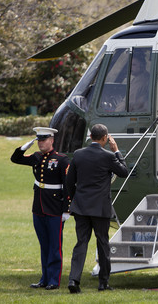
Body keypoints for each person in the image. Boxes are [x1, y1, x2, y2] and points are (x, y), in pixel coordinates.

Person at [66, 124, 129, 293]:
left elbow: (69, 181)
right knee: (102, 244)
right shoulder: (108, 156)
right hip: (100, 208)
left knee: (81, 243)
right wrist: (116, 151)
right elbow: (124, 172)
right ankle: (103, 283)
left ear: (91, 137)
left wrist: (74, 200)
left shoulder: (79, 154)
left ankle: (73, 280)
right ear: (104, 138)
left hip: (81, 207)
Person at [10, 127, 71, 290]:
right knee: (44, 245)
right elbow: (15, 159)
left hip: (55, 208)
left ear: (52, 140)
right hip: (38, 207)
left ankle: (53, 280)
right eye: (39, 140)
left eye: (43, 140)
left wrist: (67, 210)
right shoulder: (36, 157)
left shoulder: (62, 160)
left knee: (54, 246)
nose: (41, 143)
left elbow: (68, 186)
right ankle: (44, 278)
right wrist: (24, 147)